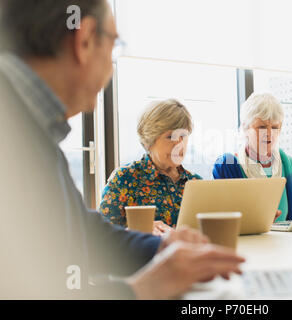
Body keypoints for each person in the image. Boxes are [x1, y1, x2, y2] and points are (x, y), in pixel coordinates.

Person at [0, 0, 244, 299]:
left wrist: (161, 248)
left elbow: (83, 232)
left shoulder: (34, 133)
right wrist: (144, 288)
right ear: (85, 40)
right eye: (115, 46)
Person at [99, 99, 201, 235]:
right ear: (149, 140)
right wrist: (140, 229)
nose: (179, 144)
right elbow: (100, 236)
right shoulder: (124, 178)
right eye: (170, 136)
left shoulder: (196, 183)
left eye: (183, 135)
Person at [213, 93, 292, 222]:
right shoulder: (227, 166)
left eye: (275, 127)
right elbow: (223, 222)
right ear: (245, 128)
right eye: (262, 127)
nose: (269, 134)